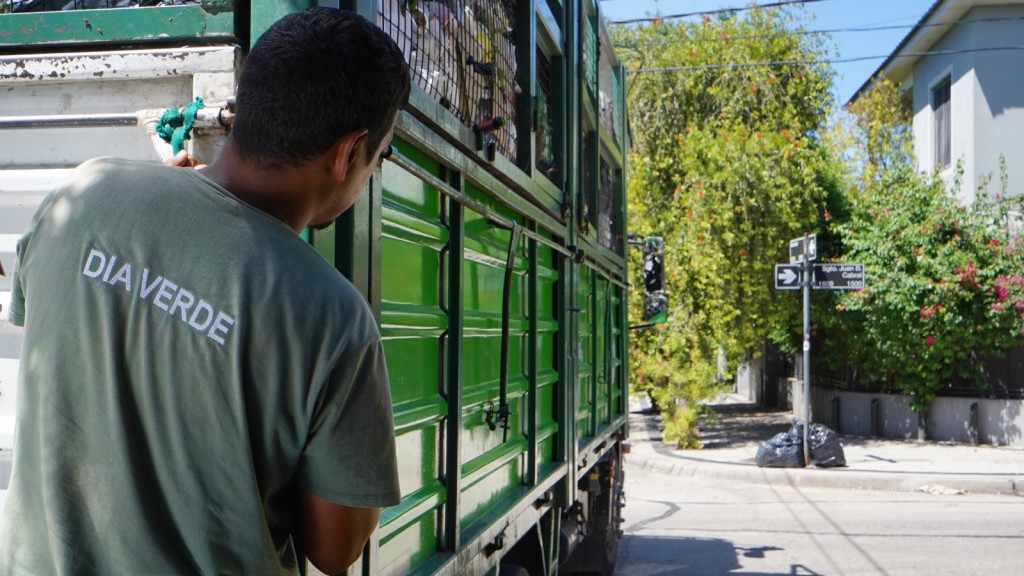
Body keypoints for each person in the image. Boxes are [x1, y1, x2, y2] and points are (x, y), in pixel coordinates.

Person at [0, 7, 410, 575]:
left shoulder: (83, 193)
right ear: (348, 152)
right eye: (381, 154)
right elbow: (335, 550)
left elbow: (47, 321)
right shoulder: (334, 317)